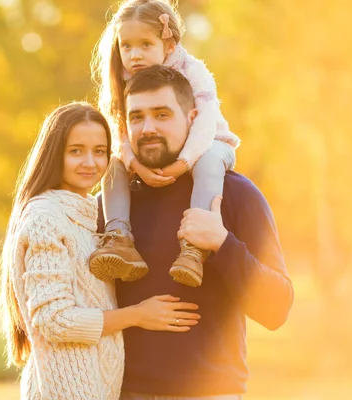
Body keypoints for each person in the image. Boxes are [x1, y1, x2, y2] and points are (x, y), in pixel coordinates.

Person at [98, 66, 294, 399]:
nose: (148, 128)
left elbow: (276, 309)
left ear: (192, 118)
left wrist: (221, 242)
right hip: (125, 392)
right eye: (137, 117)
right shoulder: (112, 205)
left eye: (162, 114)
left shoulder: (234, 194)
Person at [0, 102, 201, 400]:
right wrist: (138, 315)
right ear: (54, 154)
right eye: (76, 150)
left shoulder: (89, 213)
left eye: (100, 151)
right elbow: (55, 319)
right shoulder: (45, 217)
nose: (90, 162)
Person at [90, 0, 241, 287]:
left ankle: (194, 248)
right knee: (113, 164)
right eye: (127, 46)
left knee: (208, 162)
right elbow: (120, 129)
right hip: (151, 153)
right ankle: (119, 237)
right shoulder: (124, 79)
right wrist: (134, 164)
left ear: (168, 45)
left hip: (209, 142)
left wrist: (183, 163)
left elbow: (205, 122)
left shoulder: (193, 70)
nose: (134, 55)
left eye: (145, 45)